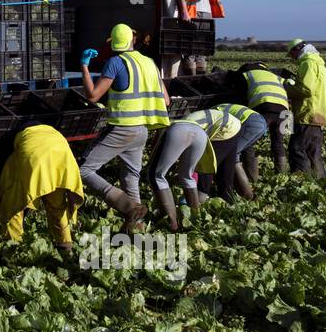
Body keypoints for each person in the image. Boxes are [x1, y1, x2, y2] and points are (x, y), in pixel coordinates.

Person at [79, 23, 171, 231]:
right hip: (141, 130)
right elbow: (166, 100)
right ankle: (136, 227)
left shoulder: (115, 62)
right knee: (130, 176)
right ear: (133, 40)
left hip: (121, 128)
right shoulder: (149, 63)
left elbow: (93, 96)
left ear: (112, 42)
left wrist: (84, 66)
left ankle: (127, 207)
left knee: (83, 170)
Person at [0, 124, 85, 252]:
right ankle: (65, 247)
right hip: (60, 148)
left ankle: (13, 249)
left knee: (13, 204)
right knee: (57, 204)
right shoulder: (13, 134)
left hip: (35, 154)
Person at [145, 108, 241, 230]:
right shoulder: (189, 119)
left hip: (179, 131)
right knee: (187, 176)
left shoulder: (165, 124)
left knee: (156, 175)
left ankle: (171, 223)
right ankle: (196, 219)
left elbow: (156, 147)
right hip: (201, 134)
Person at [183, 104, 265, 200]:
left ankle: (248, 196)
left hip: (247, 122)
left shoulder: (207, 117)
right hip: (259, 121)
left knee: (230, 157)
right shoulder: (213, 110)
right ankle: (248, 188)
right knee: (240, 154)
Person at [234, 61, 291, 176]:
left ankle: (252, 177)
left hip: (264, 107)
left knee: (249, 142)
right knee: (279, 143)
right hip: (285, 111)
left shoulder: (247, 75)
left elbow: (240, 96)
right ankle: (282, 176)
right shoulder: (275, 76)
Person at [285, 39, 326, 178]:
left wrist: (287, 89)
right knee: (313, 152)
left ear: (295, 50)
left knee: (297, 149)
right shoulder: (319, 63)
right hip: (319, 115)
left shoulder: (307, 63)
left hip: (308, 114)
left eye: (291, 55)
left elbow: (306, 89)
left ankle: (302, 182)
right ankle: (320, 181)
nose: (292, 58)